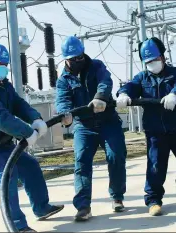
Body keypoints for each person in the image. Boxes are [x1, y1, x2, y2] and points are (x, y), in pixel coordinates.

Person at [0, 43, 64, 232]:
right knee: (7, 175)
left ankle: (41, 208)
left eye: (5, 63)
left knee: (30, 166)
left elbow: (18, 104)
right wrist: (26, 132)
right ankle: (17, 226)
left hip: (0, 141)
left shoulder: (4, 85)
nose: (3, 67)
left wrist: (35, 118)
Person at [116, 37, 176, 216]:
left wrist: (175, 94)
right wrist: (123, 93)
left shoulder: (175, 72)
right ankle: (153, 200)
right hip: (155, 131)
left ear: (162, 57)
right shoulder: (142, 77)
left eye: (154, 60)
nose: (152, 64)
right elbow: (131, 86)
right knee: (155, 165)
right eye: (148, 62)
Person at [55, 36, 127, 221]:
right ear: (66, 59)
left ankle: (117, 197)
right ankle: (83, 206)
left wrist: (101, 97)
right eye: (74, 59)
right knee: (81, 162)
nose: (79, 61)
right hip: (84, 126)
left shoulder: (96, 65)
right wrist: (65, 114)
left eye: (80, 57)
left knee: (116, 155)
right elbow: (62, 100)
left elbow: (105, 81)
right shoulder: (63, 79)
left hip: (108, 121)